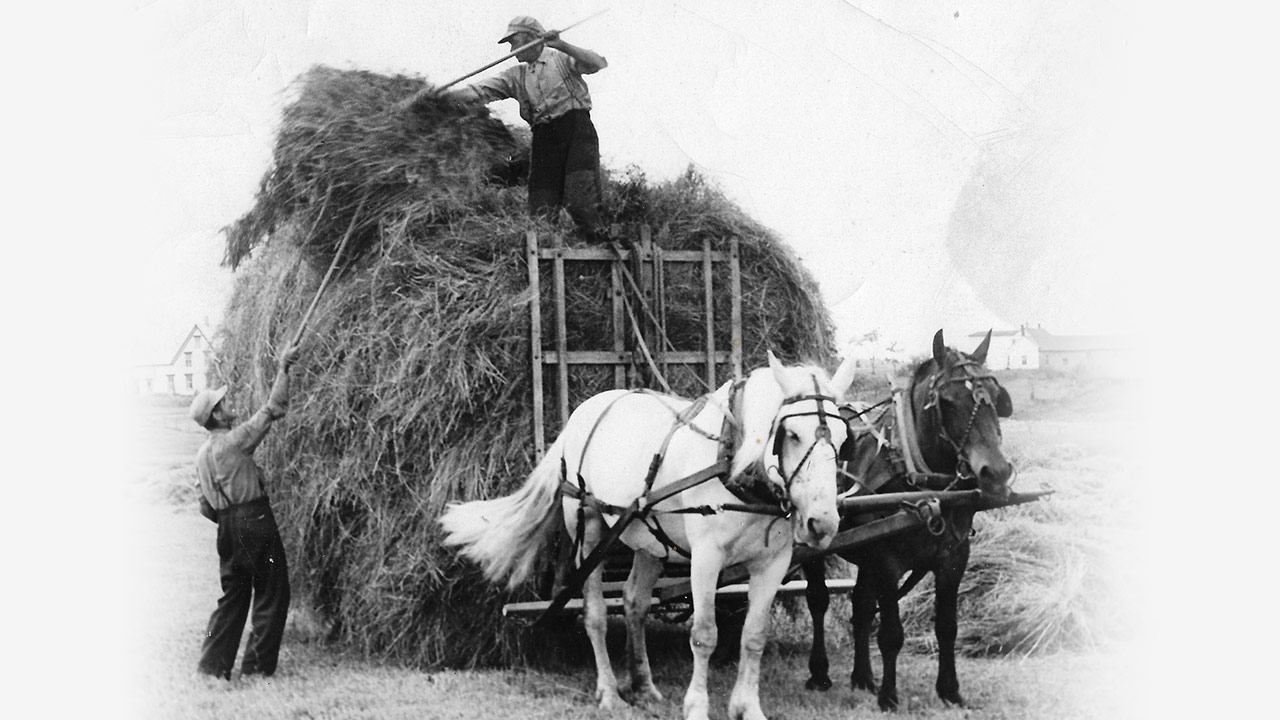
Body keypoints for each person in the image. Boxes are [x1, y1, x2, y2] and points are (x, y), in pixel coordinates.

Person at [407, 15, 610, 240]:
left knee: (580, 198)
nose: (512, 49)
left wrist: (562, 44)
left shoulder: (561, 59)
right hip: (544, 139)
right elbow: (479, 91)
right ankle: (543, 255)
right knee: (540, 210)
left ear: (532, 38)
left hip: (575, 130)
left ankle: (601, 242)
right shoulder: (516, 76)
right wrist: (440, 97)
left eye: (514, 42)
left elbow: (598, 63)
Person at [189, 343, 300, 680]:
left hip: (227, 529)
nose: (228, 406)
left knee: (232, 598)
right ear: (216, 416)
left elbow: (204, 505)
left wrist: (229, 521)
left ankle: (211, 665)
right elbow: (273, 408)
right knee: (271, 591)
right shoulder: (235, 441)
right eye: (222, 405)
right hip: (254, 521)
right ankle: (256, 667)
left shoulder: (201, 456)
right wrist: (284, 367)